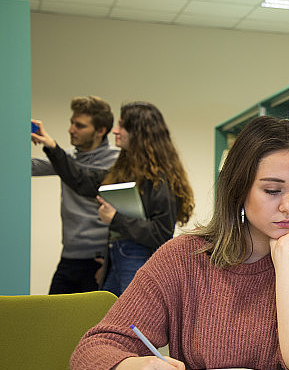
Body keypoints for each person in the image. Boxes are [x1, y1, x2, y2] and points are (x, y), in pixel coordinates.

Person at [67, 116, 289, 370]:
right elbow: (90, 353)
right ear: (239, 189)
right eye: (272, 190)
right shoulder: (183, 258)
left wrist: (285, 257)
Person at [32, 101, 194, 296]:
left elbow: (161, 233)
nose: (115, 131)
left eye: (122, 126)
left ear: (138, 133)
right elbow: (82, 181)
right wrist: (51, 146)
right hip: (117, 257)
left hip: (137, 259)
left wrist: (115, 218)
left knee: (128, 323)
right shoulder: (126, 170)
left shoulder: (158, 178)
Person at [32, 96, 119, 294]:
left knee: (92, 324)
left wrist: (109, 265)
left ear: (100, 131)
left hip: (99, 261)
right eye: (72, 123)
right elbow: (26, 167)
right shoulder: (65, 158)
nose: (71, 129)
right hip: (69, 258)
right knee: (51, 321)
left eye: (79, 126)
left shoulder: (119, 161)